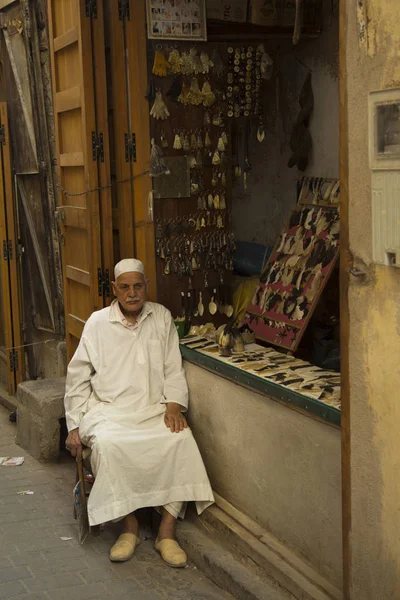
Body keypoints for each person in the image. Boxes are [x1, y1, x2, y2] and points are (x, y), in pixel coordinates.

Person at [64, 258, 214, 567]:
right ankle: (129, 528)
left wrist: (173, 405)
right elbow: (77, 378)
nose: (132, 293)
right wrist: (74, 424)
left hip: (152, 408)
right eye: (125, 287)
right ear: (115, 290)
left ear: (145, 287)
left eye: (138, 286)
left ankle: (166, 532)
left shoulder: (160, 317)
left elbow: (174, 368)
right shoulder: (97, 323)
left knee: (181, 440)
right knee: (109, 446)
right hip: (109, 411)